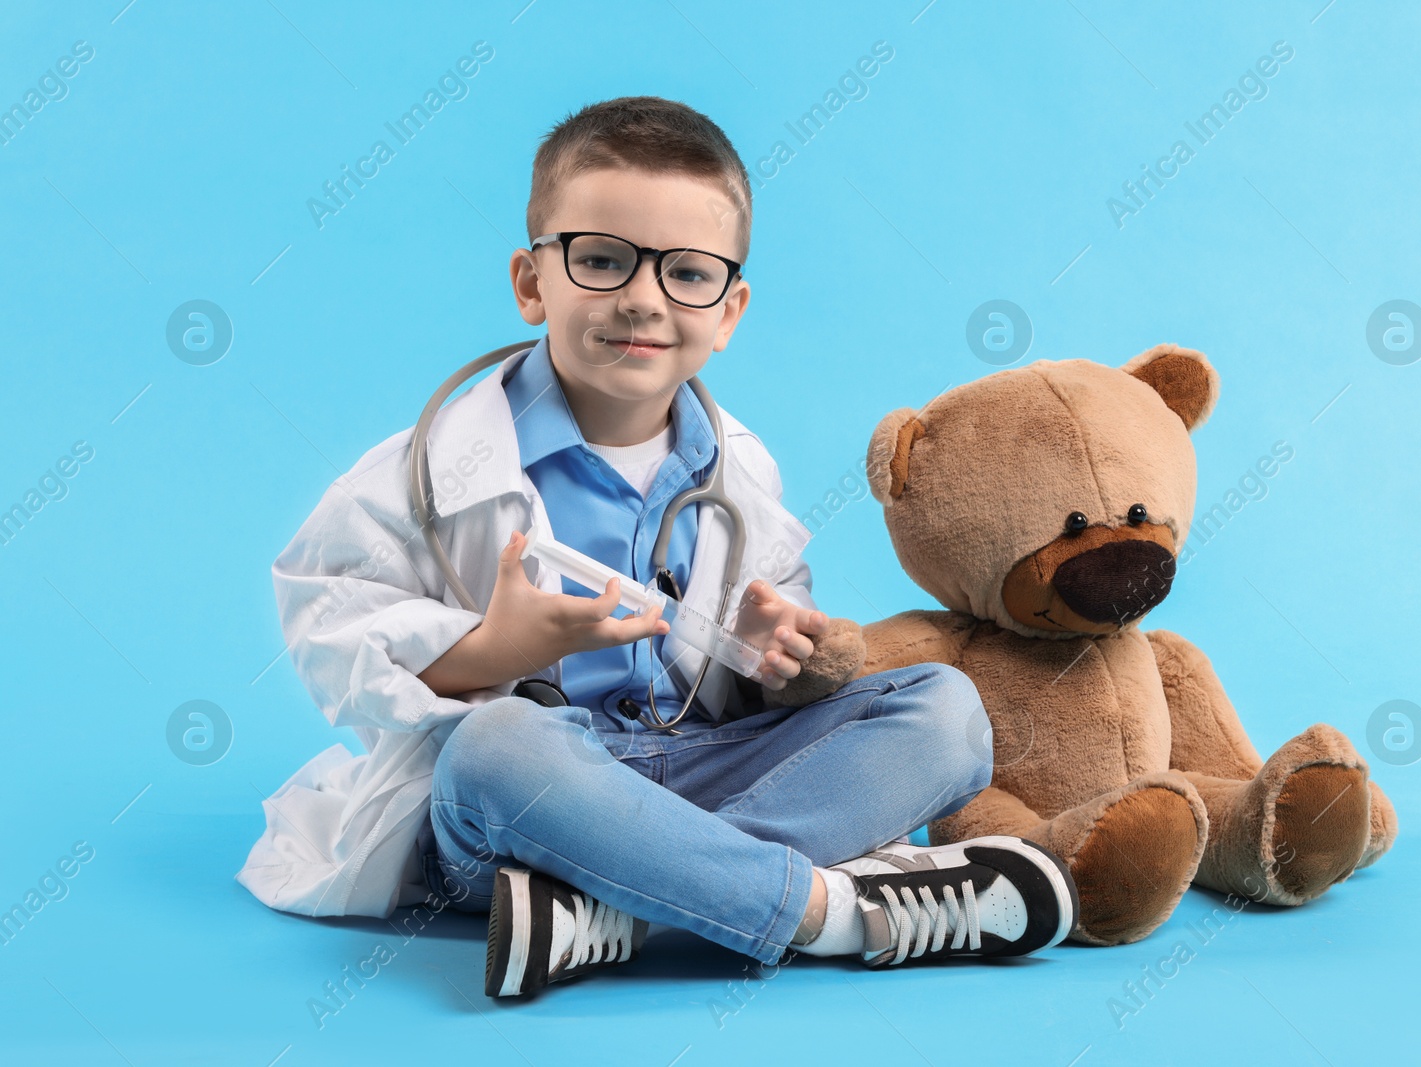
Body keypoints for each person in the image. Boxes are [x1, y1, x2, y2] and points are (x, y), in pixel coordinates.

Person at [238, 96, 1077, 999]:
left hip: (701, 772)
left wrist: (779, 663)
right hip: (537, 800)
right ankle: (835, 914)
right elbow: (329, 624)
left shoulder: (740, 469)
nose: (642, 298)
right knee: (496, 746)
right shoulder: (426, 466)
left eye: (686, 272)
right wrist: (492, 652)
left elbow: (770, 663)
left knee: (945, 709)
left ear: (729, 309)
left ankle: (618, 907)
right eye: (601, 260)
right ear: (532, 282)